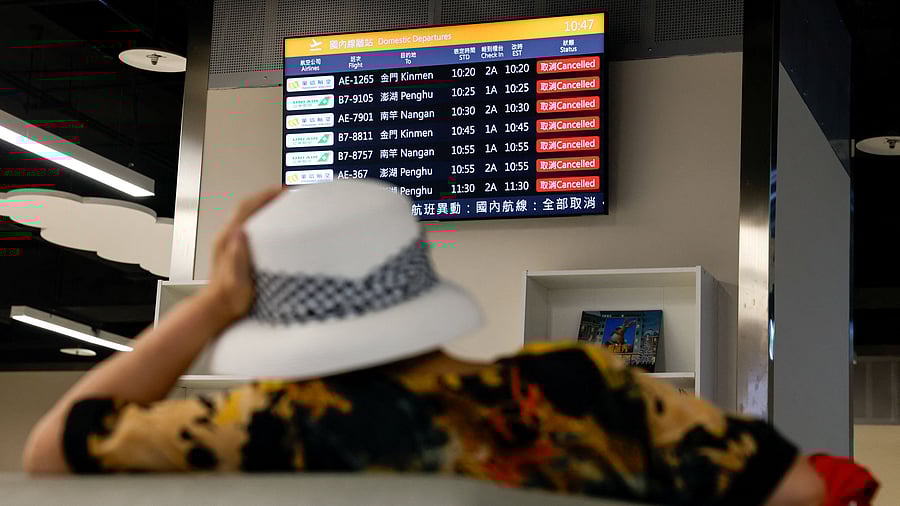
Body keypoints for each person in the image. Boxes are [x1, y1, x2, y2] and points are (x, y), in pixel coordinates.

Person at [23, 181, 832, 506]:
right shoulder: (577, 386)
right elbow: (798, 488)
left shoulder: (259, 426)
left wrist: (213, 308)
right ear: (416, 280)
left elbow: (55, 448)